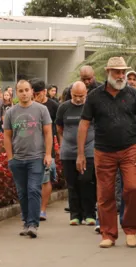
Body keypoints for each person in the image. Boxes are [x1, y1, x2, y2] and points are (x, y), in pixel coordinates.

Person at [77, 57, 136, 248]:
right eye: (117, 71)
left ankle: (131, 229)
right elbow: (84, 124)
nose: (121, 75)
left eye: (123, 71)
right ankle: (108, 234)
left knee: (133, 188)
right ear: (108, 72)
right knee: (105, 194)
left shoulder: (133, 94)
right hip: (103, 151)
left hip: (130, 149)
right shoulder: (94, 96)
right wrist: (81, 153)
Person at [3, 80, 53, 238]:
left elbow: (48, 133)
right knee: (22, 192)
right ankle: (26, 222)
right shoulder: (11, 112)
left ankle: (33, 224)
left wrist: (48, 154)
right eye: (20, 91)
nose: (24, 93)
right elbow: (7, 136)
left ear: (32, 91)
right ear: (16, 93)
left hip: (36, 158)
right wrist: (10, 157)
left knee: (33, 190)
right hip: (17, 159)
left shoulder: (41, 110)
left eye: (26, 90)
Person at [57, 81, 97, 226]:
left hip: (88, 150)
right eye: (75, 95)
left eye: (81, 96)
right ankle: (75, 215)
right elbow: (59, 128)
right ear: (70, 94)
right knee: (72, 183)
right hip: (68, 151)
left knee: (86, 181)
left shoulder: (91, 107)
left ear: (86, 93)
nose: (78, 99)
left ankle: (89, 214)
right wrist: (63, 144)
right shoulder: (64, 107)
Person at [31, 79, 59, 221]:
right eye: (33, 93)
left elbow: (59, 127)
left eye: (37, 94)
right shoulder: (27, 106)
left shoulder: (53, 106)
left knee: (45, 179)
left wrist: (58, 146)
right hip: (30, 147)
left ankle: (42, 209)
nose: (35, 97)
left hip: (47, 148)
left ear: (44, 92)